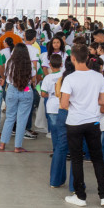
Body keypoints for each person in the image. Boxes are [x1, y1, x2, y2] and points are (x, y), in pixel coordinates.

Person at [60, 45, 104, 208]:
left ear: (73, 58)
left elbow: (64, 104)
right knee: (97, 158)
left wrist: (76, 103)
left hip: (74, 122)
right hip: (93, 122)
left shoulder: (69, 78)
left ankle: (80, 196)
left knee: (76, 159)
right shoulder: (98, 77)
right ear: (87, 57)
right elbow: (103, 101)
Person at [0, 44, 34, 153]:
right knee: (22, 120)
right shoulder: (29, 63)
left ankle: (2, 143)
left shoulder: (9, 62)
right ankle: (17, 146)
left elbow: (6, 75)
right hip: (26, 89)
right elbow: (32, 78)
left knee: (9, 117)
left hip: (12, 89)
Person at [40, 54, 68, 188]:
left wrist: (50, 94)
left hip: (51, 107)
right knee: (64, 133)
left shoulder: (47, 78)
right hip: (63, 107)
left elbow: (43, 93)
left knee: (55, 134)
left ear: (50, 65)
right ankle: (62, 152)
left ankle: (57, 152)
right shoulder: (65, 76)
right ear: (62, 64)